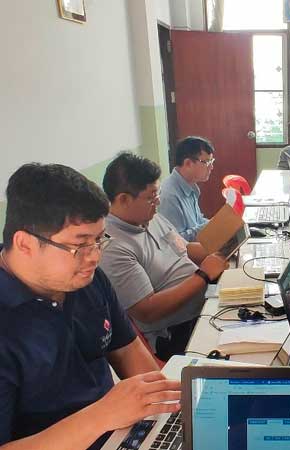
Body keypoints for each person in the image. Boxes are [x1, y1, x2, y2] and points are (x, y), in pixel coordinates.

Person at [0, 163, 180, 450]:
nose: (95, 257)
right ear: (25, 244)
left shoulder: (86, 279)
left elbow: (128, 351)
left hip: (120, 432)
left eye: (99, 240)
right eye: (81, 245)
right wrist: (102, 416)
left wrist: (171, 409)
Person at [100, 152, 228, 361]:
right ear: (123, 199)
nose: (158, 201)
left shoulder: (150, 217)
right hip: (177, 331)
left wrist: (225, 251)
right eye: (151, 197)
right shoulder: (113, 248)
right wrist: (203, 275)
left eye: (157, 193)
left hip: (204, 302)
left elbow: (185, 248)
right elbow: (147, 310)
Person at [160, 136, 216, 241]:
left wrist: (217, 224)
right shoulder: (169, 196)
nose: (211, 167)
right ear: (188, 163)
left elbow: (198, 222)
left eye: (212, 161)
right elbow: (174, 242)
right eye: (207, 162)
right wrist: (211, 226)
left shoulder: (190, 186)